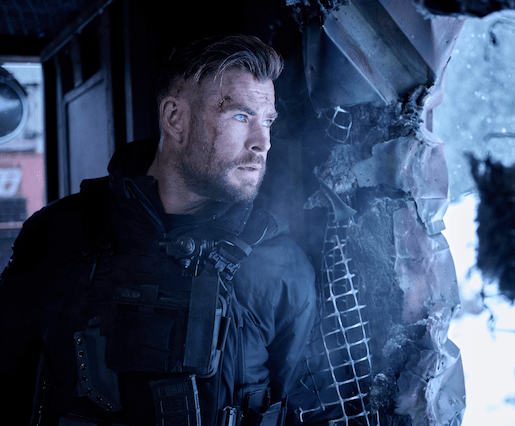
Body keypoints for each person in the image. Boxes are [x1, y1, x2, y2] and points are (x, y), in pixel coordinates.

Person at [0, 34, 317, 426]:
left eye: (267, 121)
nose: (262, 143)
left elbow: (300, 405)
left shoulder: (282, 267)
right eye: (241, 116)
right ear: (175, 118)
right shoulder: (58, 234)